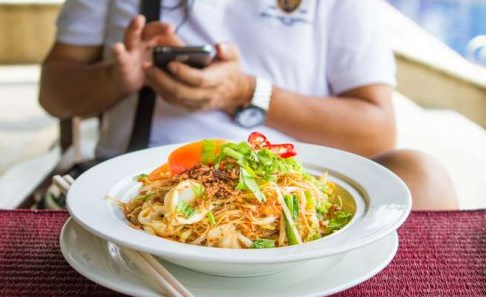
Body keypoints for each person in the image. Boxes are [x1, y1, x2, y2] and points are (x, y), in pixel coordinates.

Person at [39, 0, 458, 210]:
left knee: (424, 176)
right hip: (135, 183)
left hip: (290, 186)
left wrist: (246, 93)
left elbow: (377, 129)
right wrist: (118, 77)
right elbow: (54, 92)